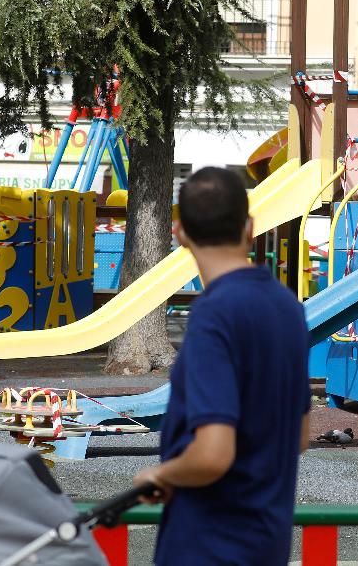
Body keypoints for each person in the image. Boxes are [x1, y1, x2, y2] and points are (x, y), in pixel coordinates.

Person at [133, 167, 311, 565]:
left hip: (208, 544)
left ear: (179, 234)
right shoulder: (288, 308)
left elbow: (213, 454)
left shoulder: (214, 315)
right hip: (267, 541)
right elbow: (298, 436)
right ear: (249, 227)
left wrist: (162, 475)